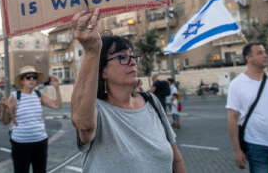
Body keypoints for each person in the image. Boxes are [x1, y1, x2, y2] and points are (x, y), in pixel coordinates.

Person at [71, 9, 185, 173]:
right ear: (102, 71)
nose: (132, 62)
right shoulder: (97, 110)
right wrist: (91, 52)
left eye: (133, 56)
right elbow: (83, 124)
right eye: (122, 57)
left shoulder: (151, 102)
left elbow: (177, 160)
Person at [226, 42, 268, 172]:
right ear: (248, 58)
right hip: (257, 146)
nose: (265, 56)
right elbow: (232, 118)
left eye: (265, 52)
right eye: (260, 53)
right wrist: (237, 150)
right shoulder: (237, 84)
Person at [0, 65, 62, 173]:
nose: (32, 79)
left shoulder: (38, 94)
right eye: (28, 77)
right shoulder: (15, 96)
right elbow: (5, 121)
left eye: (34, 77)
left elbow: (57, 105)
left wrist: (56, 87)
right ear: (22, 81)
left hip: (40, 142)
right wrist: (5, 109)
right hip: (21, 144)